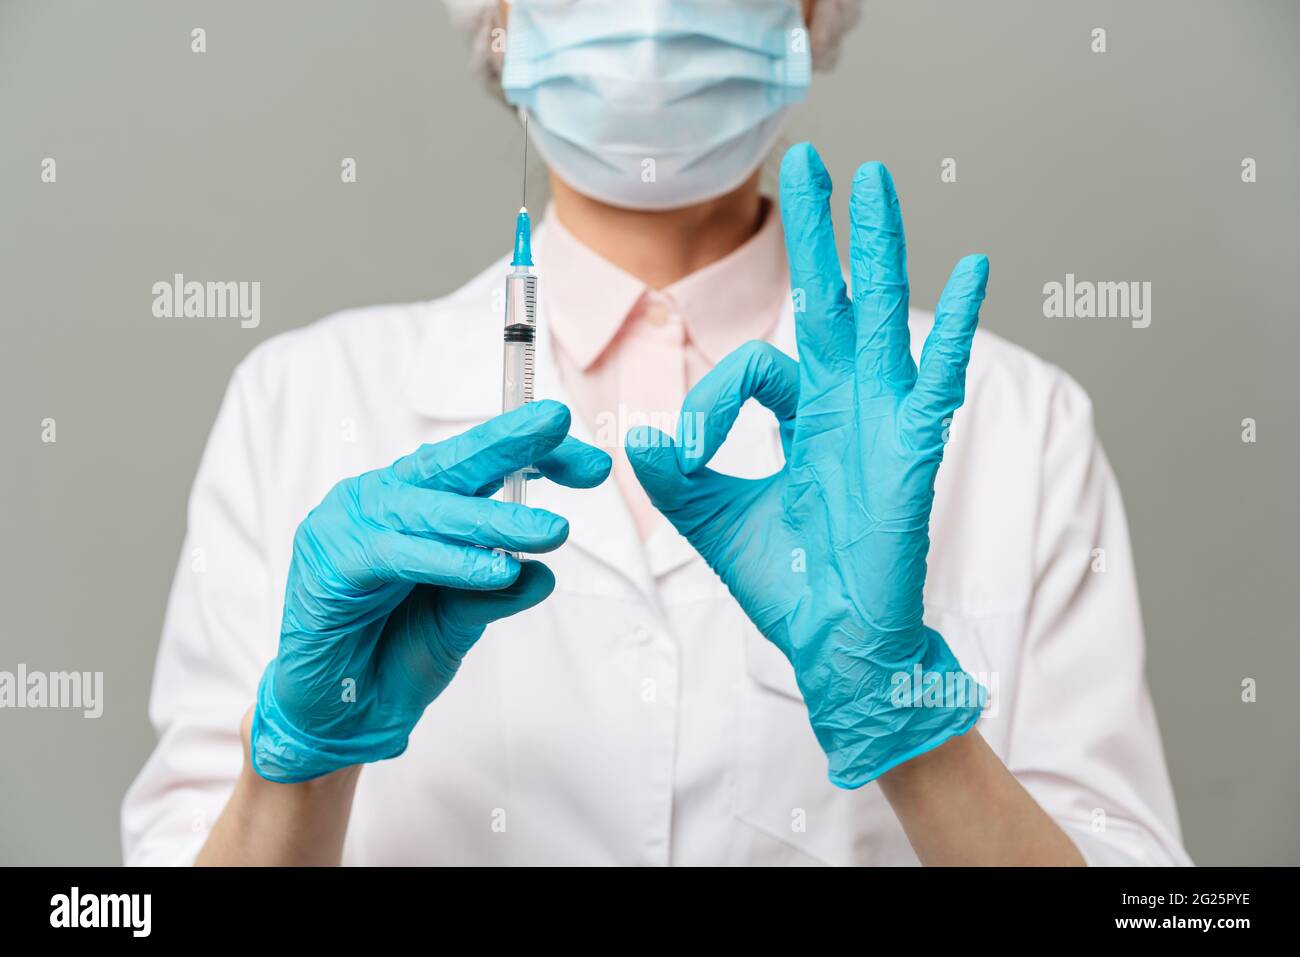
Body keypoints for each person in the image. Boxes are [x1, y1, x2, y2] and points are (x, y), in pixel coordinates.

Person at [122, 0, 1191, 866]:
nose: (648, 17)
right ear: (498, 16)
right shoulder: (299, 399)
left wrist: (909, 723)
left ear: (811, 12)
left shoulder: (1014, 419)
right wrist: (298, 761)